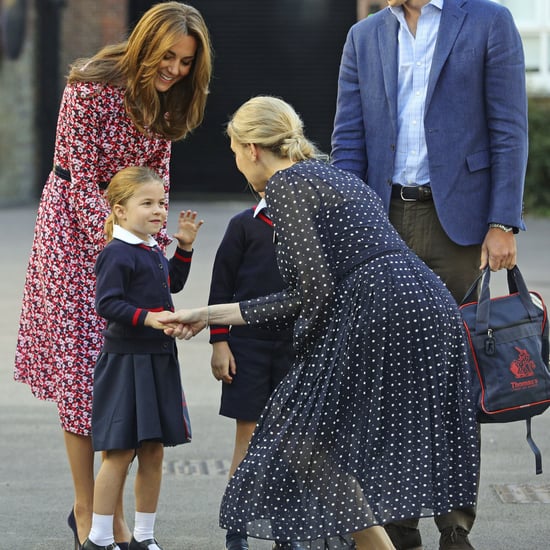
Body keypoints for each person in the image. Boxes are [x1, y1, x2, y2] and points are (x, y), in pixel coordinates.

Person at [158, 95, 480, 550]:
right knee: (354, 438)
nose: (237, 165)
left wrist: (210, 316)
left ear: (252, 148)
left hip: (379, 309)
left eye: (234, 152)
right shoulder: (331, 176)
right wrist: (205, 316)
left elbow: (312, 294)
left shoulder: (286, 185)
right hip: (427, 304)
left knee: (301, 436)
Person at [13, 3, 212, 548]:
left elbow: (158, 184)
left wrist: (153, 251)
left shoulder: (170, 99)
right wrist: (118, 251)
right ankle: (89, 513)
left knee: (122, 375)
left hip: (130, 236)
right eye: (167, 56)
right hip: (75, 237)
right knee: (84, 378)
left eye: (186, 61)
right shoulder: (91, 85)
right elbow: (77, 178)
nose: (174, 69)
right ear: (146, 43)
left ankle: (111, 512)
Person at [330, 1, 528, 548]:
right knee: (388, 376)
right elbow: (348, 137)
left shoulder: (488, 21)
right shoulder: (364, 35)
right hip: (382, 221)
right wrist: (349, 225)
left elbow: (509, 127)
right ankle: (397, 520)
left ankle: (454, 524)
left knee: (456, 377)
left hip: (461, 226)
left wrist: (502, 221)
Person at [81, 166, 203, 550]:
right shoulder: (117, 253)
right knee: (119, 452)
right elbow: (107, 303)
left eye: (162, 202)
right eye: (147, 203)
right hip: (125, 363)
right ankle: (99, 541)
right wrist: (148, 318)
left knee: (152, 451)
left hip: (157, 360)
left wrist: (183, 248)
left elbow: (173, 284)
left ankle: (144, 538)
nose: (158, 210)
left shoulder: (151, 248)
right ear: (119, 210)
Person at [208, 192, 295, 550]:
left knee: (292, 441)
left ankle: (288, 529)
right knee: (248, 433)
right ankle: (237, 528)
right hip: (248, 346)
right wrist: (219, 342)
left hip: (296, 346)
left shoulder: (309, 227)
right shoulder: (243, 225)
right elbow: (221, 286)